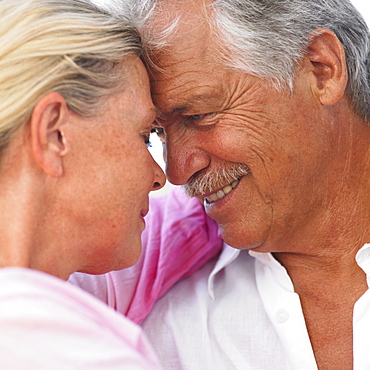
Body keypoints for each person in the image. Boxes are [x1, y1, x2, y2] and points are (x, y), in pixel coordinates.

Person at [99, 0, 369, 368]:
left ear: (321, 69)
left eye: (199, 115)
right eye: (157, 134)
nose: (176, 172)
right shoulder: (146, 330)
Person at [0, 0, 222, 368]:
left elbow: (182, 227)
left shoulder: (67, 286)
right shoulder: (41, 340)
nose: (161, 175)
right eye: (145, 135)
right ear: (55, 134)